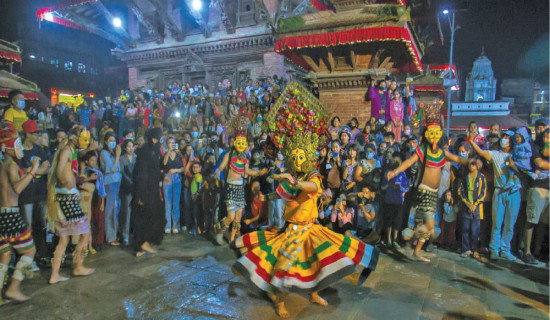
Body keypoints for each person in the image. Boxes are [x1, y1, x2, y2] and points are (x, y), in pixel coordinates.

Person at [232, 87, 378, 318]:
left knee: (319, 262)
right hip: (291, 231)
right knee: (284, 268)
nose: (298, 160)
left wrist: (294, 181)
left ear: (308, 157)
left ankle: (313, 294)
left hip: (311, 230)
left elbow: (314, 188)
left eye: (302, 157)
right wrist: (266, 196)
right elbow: (281, 193)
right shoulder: (292, 178)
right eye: (295, 157)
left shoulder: (311, 176)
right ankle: (279, 301)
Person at [387, 103, 468, 262]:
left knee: (427, 226)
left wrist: (471, 159)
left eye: (437, 133)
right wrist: (395, 171)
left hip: (434, 193)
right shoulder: (422, 150)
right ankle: (411, 246)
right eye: (432, 133)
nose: (435, 136)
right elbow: (409, 162)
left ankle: (413, 248)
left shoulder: (442, 152)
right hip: (424, 191)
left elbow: (458, 158)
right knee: (429, 225)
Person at [47, 126, 95, 284]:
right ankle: (78, 265)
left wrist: (89, 148)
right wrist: (70, 183)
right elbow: (60, 172)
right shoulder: (67, 151)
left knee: (64, 239)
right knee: (85, 232)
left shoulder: (70, 150)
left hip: (65, 197)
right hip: (67, 198)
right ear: (75, 136)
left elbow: (78, 155)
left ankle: (55, 274)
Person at [0, 121, 39, 302]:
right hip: (11, 215)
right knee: (30, 251)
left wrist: (28, 171)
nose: (19, 147)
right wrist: (33, 172)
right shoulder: (11, 165)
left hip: (2, 214)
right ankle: (13, 288)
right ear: (8, 148)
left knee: (6, 254)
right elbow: (16, 189)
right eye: (16, 144)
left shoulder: (3, 164)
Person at [469, 131, 521, 261]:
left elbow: (523, 171)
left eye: (507, 137)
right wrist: (471, 142)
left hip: (514, 192)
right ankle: (494, 249)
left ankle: (505, 250)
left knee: (510, 223)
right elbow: (481, 152)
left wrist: (513, 164)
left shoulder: (518, 155)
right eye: (503, 137)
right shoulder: (496, 154)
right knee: (497, 222)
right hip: (499, 191)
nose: (504, 139)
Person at [214, 116, 267, 243]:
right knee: (231, 216)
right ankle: (220, 231)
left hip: (240, 187)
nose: (241, 144)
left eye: (244, 142)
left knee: (238, 217)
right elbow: (221, 167)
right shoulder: (228, 154)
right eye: (239, 141)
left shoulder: (245, 158)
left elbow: (247, 171)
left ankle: (232, 239)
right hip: (231, 187)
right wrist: (216, 173)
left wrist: (258, 172)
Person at [19, 120, 51, 268]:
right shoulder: (20, 151)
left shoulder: (39, 149)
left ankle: (41, 254)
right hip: (26, 196)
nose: (37, 135)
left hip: (39, 193)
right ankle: (27, 259)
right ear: (27, 134)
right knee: (27, 228)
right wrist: (36, 169)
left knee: (41, 226)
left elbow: (47, 168)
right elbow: (21, 172)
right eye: (34, 133)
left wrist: (32, 170)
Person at [131, 127, 165, 257]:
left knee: (151, 217)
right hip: (145, 191)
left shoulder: (153, 151)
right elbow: (141, 174)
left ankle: (145, 243)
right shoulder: (146, 152)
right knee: (143, 218)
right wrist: (140, 195)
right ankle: (140, 244)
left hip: (152, 190)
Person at [457, 157, 486, 258]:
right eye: (470, 164)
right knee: (465, 229)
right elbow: (461, 191)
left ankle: (474, 249)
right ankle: (466, 249)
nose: (471, 166)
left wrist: (475, 204)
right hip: (466, 207)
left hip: (477, 208)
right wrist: (468, 204)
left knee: (475, 231)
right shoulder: (466, 177)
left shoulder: (481, 177)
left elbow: (483, 193)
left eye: (473, 164)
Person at [100, 132, 122, 246]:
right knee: (110, 209)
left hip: (117, 182)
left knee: (116, 209)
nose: (112, 142)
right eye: (110, 140)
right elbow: (112, 169)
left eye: (114, 140)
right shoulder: (104, 153)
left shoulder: (112, 153)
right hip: (110, 182)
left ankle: (114, 234)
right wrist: (118, 155)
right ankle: (110, 237)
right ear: (105, 142)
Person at [163, 136, 184, 234]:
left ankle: (175, 225)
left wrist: (176, 170)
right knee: (167, 203)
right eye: (169, 142)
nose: (171, 144)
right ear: (167, 144)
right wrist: (168, 151)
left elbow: (183, 168)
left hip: (176, 178)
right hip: (167, 178)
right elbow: (164, 163)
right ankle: (167, 225)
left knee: (176, 203)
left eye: (173, 142)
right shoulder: (165, 154)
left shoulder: (178, 155)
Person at [119, 139, 136, 245]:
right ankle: (124, 234)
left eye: (132, 146)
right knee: (126, 211)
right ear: (125, 148)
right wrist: (130, 182)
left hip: (136, 187)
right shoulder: (122, 159)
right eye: (129, 146)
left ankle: (133, 232)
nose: (131, 148)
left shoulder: (136, 158)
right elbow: (122, 173)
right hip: (126, 187)